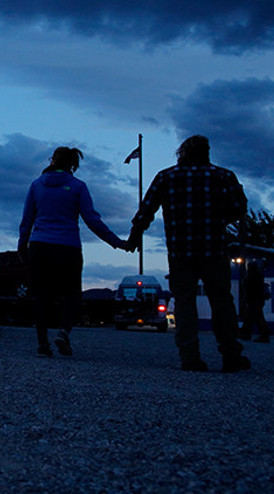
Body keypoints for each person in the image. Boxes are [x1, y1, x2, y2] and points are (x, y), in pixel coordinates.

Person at [128, 135, 251, 372]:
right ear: (207, 152)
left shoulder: (167, 176)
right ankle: (231, 355)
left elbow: (146, 209)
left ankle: (190, 357)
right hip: (213, 249)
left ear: (182, 153)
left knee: (184, 303)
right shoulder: (224, 176)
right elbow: (240, 208)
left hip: (180, 251)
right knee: (222, 302)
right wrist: (218, 219)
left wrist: (135, 236)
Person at [19, 146, 129, 358]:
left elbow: (26, 221)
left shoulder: (36, 186)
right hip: (68, 247)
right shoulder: (78, 186)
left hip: (40, 247)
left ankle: (42, 344)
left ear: (52, 160)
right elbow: (93, 220)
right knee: (71, 295)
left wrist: (22, 245)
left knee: (41, 297)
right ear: (73, 165)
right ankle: (63, 332)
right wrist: (117, 242)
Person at [240, 261, 270, 343]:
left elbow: (250, 288)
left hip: (254, 300)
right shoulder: (258, 276)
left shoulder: (252, 277)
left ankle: (261, 335)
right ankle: (247, 333)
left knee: (256, 317)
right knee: (253, 317)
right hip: (256, 300)